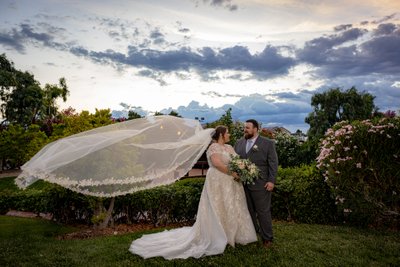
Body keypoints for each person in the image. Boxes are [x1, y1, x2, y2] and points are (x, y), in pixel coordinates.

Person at [129, 126, 257, 259]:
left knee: (231, 206)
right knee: (218, 206)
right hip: (217, 181)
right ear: (221, 135)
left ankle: (233, 234)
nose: (229, 134)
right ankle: (218, 235)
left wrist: (243, 169)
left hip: (231, 182)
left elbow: (236, 161)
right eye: (227, 132)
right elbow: (217, 164)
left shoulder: (230, 147)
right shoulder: (213, 148)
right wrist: (234, 173)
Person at [234, 119, 278, 248]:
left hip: (261, 184)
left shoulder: (267, 143)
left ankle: (267, 238)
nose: (245, 130)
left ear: (255, 129)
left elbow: (273, 164)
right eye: (244, 127)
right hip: (242, 184)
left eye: (247, 128)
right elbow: (235, 161)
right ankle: (254, 233)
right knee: (248, 211)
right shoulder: (239, 143)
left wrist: (271, 181)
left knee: (263, 211)